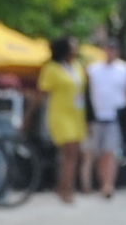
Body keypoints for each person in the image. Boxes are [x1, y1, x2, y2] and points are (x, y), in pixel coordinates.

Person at [34, 38, 87, 206]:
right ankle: (66, 190)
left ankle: (63, 186)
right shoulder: (51, 69)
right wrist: (30, 116)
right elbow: (42, 94)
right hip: (60, 115)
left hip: (77, 114)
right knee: (69, 152)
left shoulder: (77, 66)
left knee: (74, 154)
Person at [81, 33, 126, 198]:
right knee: (96, 153)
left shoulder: (124, 70)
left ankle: (108, 185)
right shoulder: (94, 69)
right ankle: (97, 182)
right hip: (96, 116)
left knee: (110, 152)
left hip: (115, 116)